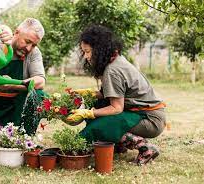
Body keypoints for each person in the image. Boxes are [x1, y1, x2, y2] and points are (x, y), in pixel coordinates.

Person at [66, 25, 166, 165]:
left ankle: (146, 148)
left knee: (102, 125)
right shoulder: (115, 59)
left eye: (88, 51)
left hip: (150, 119)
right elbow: (109, 95)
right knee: (97, 107)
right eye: (84, 52)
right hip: (139, 112)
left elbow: (116, 108)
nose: (86, 56)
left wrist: (88, 113)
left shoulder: (113, 70)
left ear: (99, 49)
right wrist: (88, 94)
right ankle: (118, 145)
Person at [0, 18, 46, 137]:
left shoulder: (34, 53)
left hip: (14, 106)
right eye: (27, 41)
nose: (29, 48)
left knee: (40, 95)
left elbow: (40, 82)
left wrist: (12, 84)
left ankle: (26, 137)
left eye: (34, 45)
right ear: (16, 32)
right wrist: (1, 28)